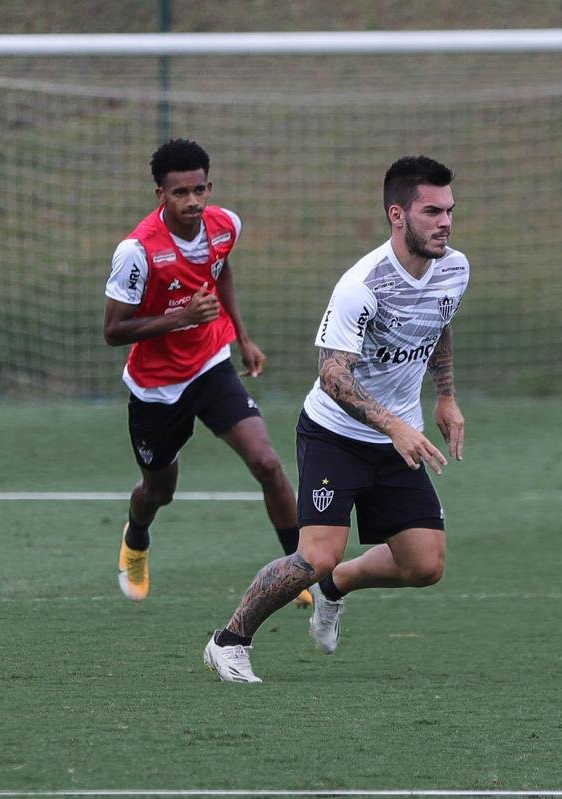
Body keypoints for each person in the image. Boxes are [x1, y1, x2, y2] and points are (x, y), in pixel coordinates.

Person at [203, 155, 468, 683]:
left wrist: (446, 397)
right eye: (432, 211)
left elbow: (437, 325)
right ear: (398, 215)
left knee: (425, 566)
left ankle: (335, 588)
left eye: (450, 211)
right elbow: (332, 374)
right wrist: (392, 425)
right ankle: (229, 640)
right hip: (336, 434)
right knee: (314, 556)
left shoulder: (455, 268)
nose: (445, 223)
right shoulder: (362, 285)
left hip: (398, 436)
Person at [103, 138, 310, 608]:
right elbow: (113, 331)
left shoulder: (224, 225)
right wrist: (181, 318)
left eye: (200, 190)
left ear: (209, 186)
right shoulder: (136, 252)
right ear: (160, 195)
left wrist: (241, 335)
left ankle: (297, 571)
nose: (193, 202)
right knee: (160, 491)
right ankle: (136, 537)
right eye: (180, 193)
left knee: (267, 463)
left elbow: (222, 270)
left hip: (211, 365)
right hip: (156, 389)